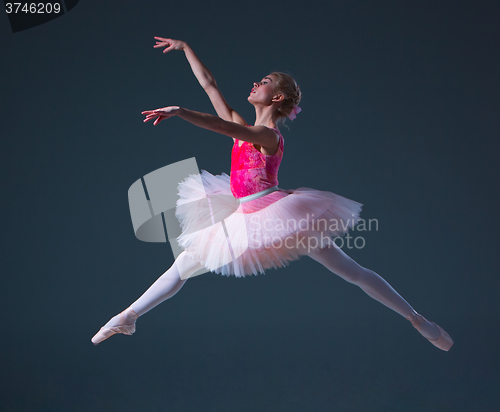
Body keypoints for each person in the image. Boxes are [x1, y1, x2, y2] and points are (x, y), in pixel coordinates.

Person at [91, 37, 453, 351]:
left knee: (349, 270)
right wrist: (186, 48)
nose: (254, 83)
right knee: (183, 265)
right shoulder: (243, 127)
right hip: (240, 212)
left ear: (276, 96)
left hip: (276, 213)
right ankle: (128, 316)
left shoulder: (268, 137)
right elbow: (210, 86)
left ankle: (416, 318)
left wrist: (180, 111)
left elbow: (218, 124)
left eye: (263, 82)